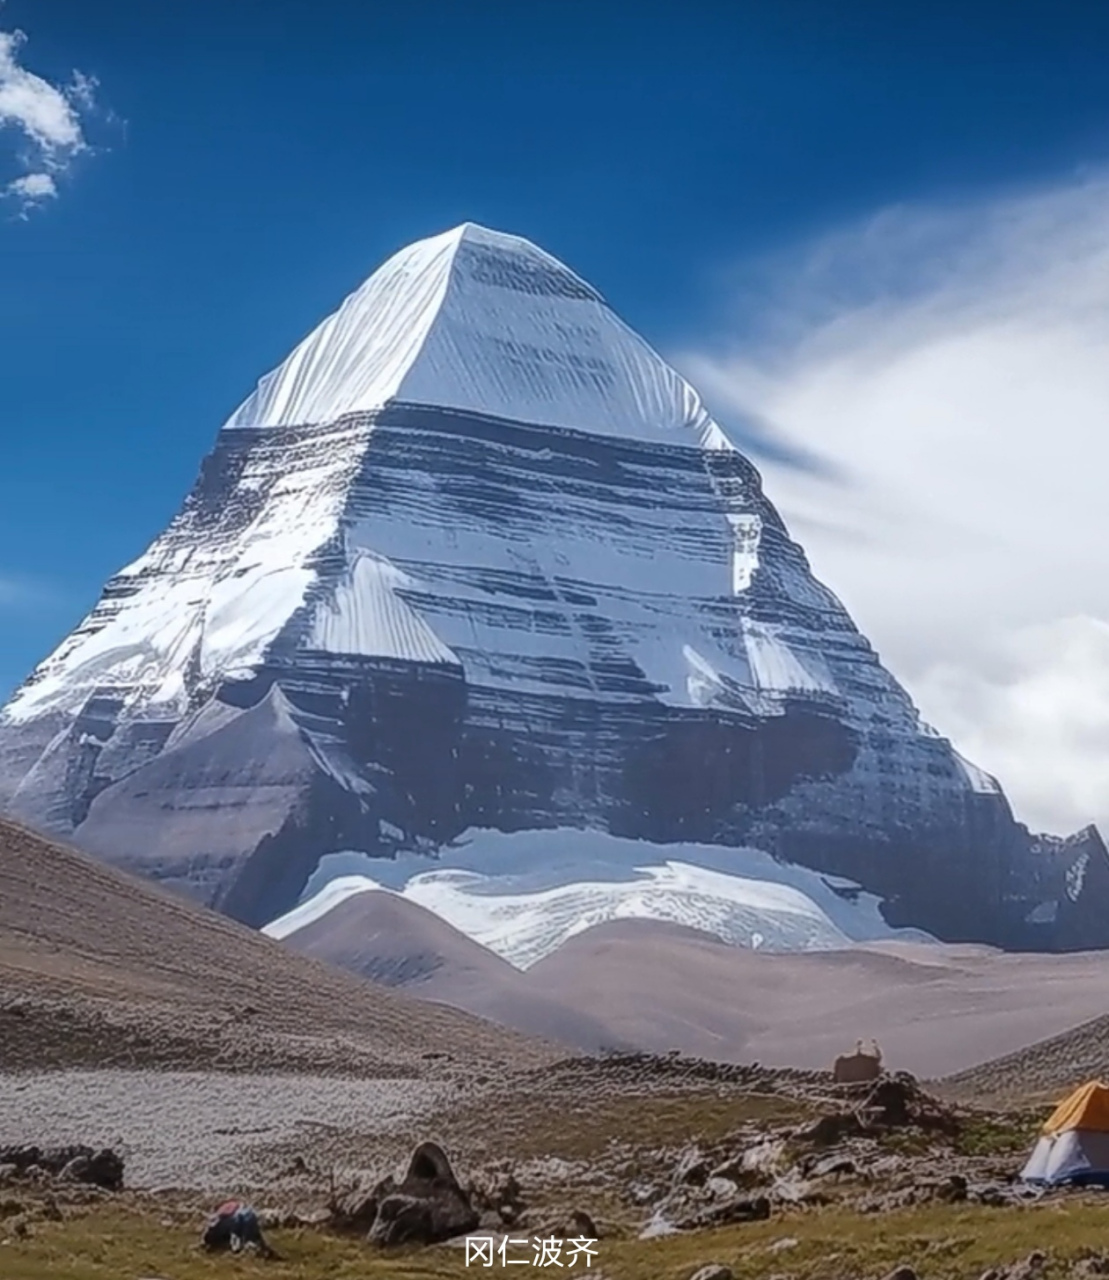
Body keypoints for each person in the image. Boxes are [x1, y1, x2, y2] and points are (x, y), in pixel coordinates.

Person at [200, 1200, 278, 1259]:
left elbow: (235, 1233)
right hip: (243, 1220)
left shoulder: (220, 1219)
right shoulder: (240, 1211)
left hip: (238, 1223)